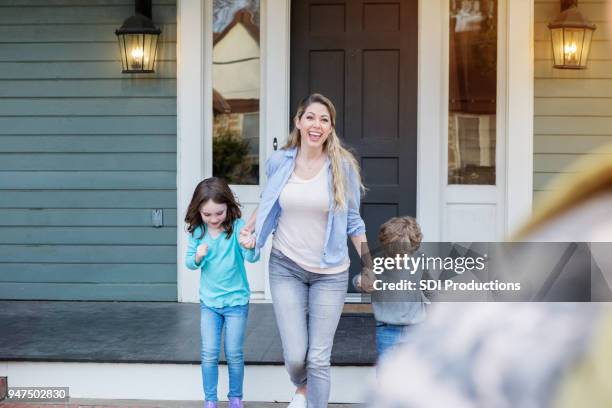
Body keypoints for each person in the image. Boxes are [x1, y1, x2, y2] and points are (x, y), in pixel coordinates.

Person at [241, 93, 368, 408]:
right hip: (286, 267)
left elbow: (353, 221)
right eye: (310, 117)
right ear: (298, 122)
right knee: (297, 356)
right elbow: (269, 198)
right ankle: (302, 387)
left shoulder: (343, 167)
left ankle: (311, 399)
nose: (317, 124)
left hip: (331, 273)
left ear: (330, 128)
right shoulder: (280, 161)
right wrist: (251, 228)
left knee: (319, 357)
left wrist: (369, 263)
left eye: (324, 119)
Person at [185, 177, 258, 408]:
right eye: (208, 215)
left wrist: (250, 245)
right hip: (210, 303)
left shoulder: (237, 227)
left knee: (234, 352)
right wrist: (198, 256)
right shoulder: (197, 233)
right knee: (209, 353)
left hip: (236, 302)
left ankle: (236, 398)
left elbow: (251, 258)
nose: (214, 219)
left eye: (219, 213)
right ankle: (210, 400)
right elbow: (190, 263)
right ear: (199, 211)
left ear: (228, 207)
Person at [354, 216, 429, 358]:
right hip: (387, 329)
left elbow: (430, 289)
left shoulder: (421, 260)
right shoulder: (376, 261)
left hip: (417, 327)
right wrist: (360, 281)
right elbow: (360, 282)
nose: (397, 259)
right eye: (393, 254)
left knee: (416, 373)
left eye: (402, 254)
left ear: (413, 247)